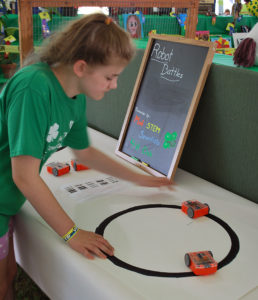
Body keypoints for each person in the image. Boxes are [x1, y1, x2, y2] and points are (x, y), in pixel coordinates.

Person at [0, 13, 172, 299]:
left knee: (8, 275)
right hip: (4, 194)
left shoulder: (75, 97)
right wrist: (71, 233)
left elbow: (86, 152)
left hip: (7, 198)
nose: (114, 85)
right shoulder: (34, 88)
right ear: (81, 67)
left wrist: (139, 179)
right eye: (110, 76)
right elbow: (25, 176)